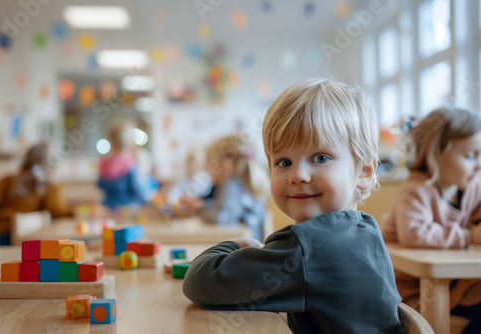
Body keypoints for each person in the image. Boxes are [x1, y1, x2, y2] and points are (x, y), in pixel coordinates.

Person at [183, 78, 402, 334]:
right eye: (284, 162)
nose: (298, 175)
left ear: (364, 171)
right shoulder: (366, 229)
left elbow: (200, 282)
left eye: (320, 158)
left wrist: (237, 245)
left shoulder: (307, 247)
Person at [382, 107, 481, 333]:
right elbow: (415, 233)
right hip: (410, 294)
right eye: (469, 156)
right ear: (435, 155)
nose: (478, 165)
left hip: (450, 282)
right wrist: (470, 236)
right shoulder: (416, 189)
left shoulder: (471, 185)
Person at [0, 142, 72, 245]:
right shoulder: (50, 187)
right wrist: (73, 212)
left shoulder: (9, 181)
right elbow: (59, 213)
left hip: (0, 237)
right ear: (50, 166)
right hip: (31, 240)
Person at [183, 135, 270, 241]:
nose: (207, 169)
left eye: (210, 163)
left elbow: (222, 218)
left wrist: (201, 210)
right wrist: (203, 206)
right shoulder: (242, 183)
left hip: (248, 252)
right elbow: (225, 208)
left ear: (226, 164)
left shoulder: (232, 183)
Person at [97, 119, 145, 210]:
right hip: (126, 209)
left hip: (107, 207)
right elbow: (135, 189)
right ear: (129, 141)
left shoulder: (104, 162)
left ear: (111, 141)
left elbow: (100, 184)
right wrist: (146, 199)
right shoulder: (130, 162)